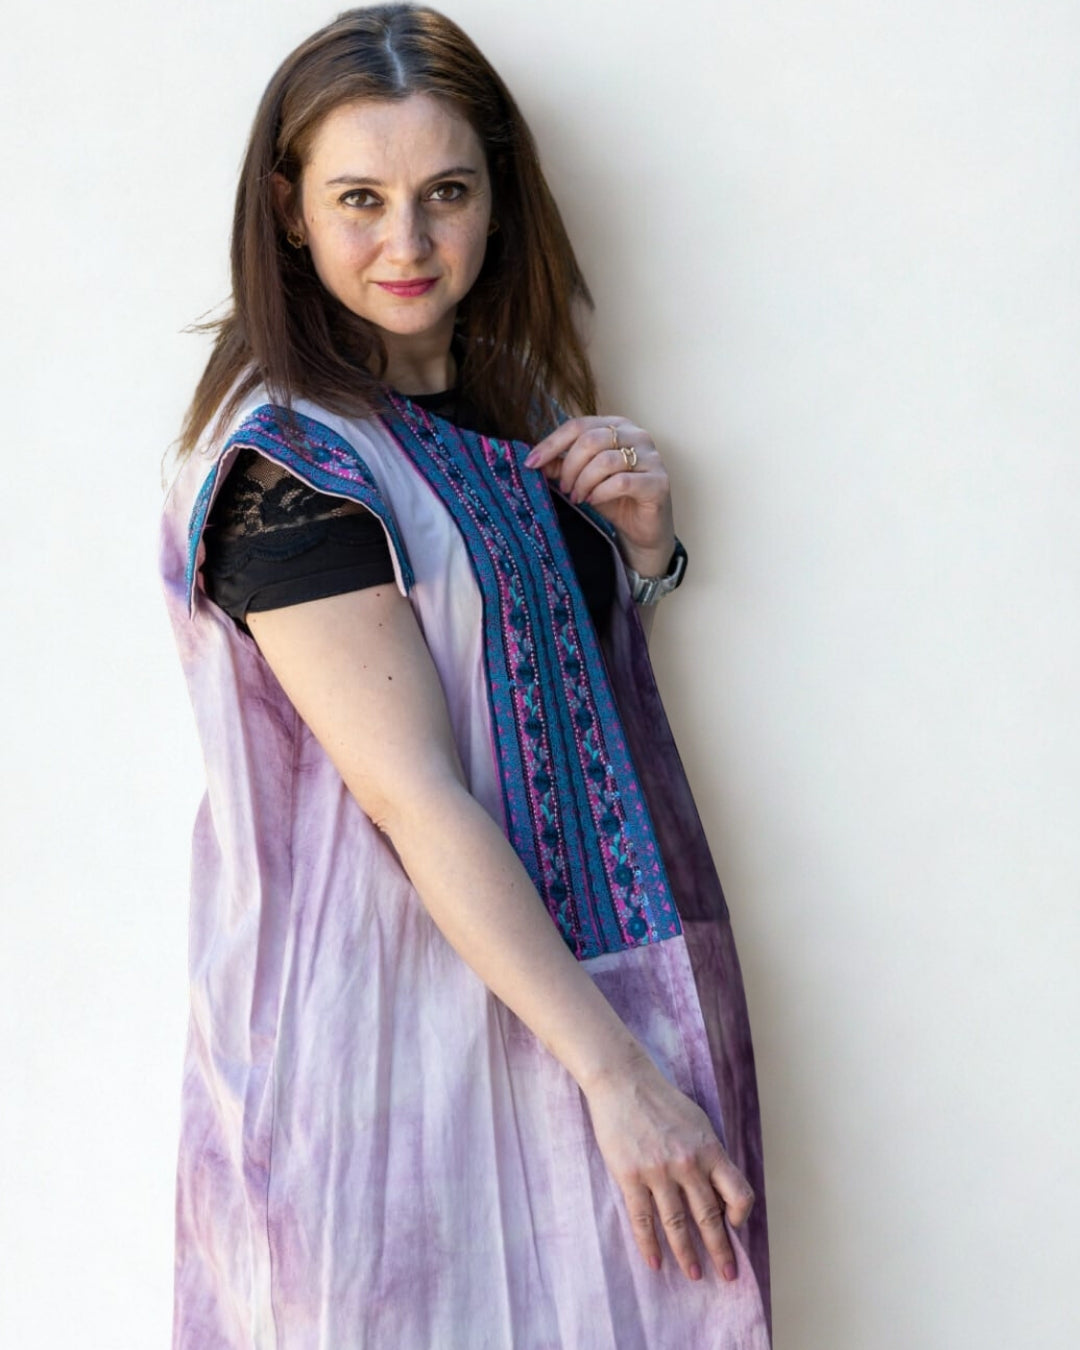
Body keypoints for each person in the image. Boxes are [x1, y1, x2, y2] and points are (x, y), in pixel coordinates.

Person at [161, 5, 771, 1347]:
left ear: (499, 195)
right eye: (360, 199)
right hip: (407, 1046)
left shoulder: (515, 407)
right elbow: (419, 793)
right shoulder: (292, 465)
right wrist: (620, 1074)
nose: (407, 242)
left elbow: (544, 710)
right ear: (290, 212)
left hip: (597, 991)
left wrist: (640, 556)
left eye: (446, 192)